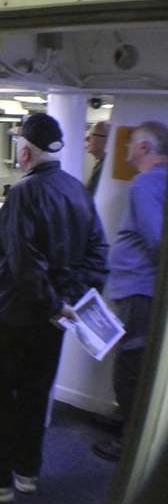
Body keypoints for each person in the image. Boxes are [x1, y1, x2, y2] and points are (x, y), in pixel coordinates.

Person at [0, 113, 108, 503]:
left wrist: (53, 303)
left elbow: (24, 261)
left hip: (12, 316)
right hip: (53, 322)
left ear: (24, 151)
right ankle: (26, 470)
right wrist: (68, 302)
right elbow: (97, 254)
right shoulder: (77, 190)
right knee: (36, 394)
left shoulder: (23, 192)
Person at [92, 121, 168, 462]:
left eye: (130, 145)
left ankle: (129, 440)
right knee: (135, 362)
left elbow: (156, 241)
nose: (125, 151)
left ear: (144, 148)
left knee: (131, 367)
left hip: (140, 290)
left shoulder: (145, 183)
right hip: (144, 289)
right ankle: (125, 419)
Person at [85, 120, 109, 197]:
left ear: (106, 139)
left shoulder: (106, 167)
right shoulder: (101, 164)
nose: (87, 139)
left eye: (92, 135)